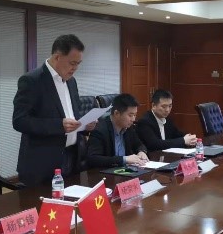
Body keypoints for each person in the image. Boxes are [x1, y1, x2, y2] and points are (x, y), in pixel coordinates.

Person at [12, 34, 96, 186]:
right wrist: (59, 125)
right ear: (57, 57)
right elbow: (19, 121)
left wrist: (84, 125)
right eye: (72, 63)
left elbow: (72, 114)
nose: (75, 68)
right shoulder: (32, 80)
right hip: (42, 162)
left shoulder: (71, 81)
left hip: (72, 157)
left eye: (78, 63)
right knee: (42, 202)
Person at [87, 93, 149, 168]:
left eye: (135, 115)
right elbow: (93, 159)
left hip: (125, 171)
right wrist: (124, 159)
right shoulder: (100, 130)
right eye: (130, 115)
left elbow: (139, 144)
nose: (133, 119)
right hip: (105, 172)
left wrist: (142, 152)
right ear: (116, 113)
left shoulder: (129, 127)